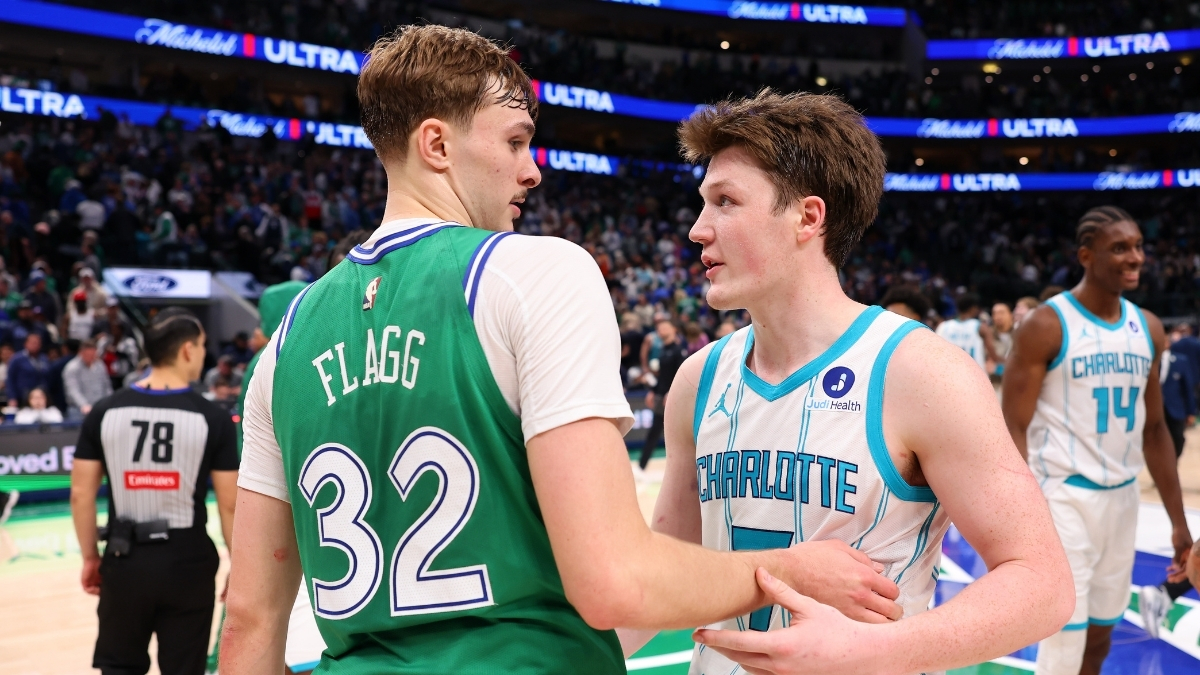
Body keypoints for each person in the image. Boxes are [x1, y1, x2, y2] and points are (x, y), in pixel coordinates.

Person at [221, 27, 896, 675]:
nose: (532, 170)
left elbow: (251, 618)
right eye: (516, 142)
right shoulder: (534, 272)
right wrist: (787, 568)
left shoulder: (284, 343)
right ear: (436, 144)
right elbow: (613, 580)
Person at [622, 89, 1073, 674]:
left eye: (725, 202)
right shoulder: (698, 379)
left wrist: (871, 650)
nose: (697, 230)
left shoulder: (922, 372)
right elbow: (665, 578)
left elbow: (1043, 582)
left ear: (807, 217)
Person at [1002, 205, 1192, 674]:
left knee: (1100, 638)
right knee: (1064, 640)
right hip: (1062, 498)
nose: (1136, 258)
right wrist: (1018, 517)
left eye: (1139, 247)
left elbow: (1154, 430)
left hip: (1122, 500)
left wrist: (1178, 522)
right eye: (1120, 248)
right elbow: (1011, 428)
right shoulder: (1047, 324)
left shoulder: (1147, 327)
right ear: (1086, 255)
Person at [69, 309, 238, 675]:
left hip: (124, 557)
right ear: (188, 351)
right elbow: (230, 504)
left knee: (120, 666)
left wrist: (90, 558)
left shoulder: (104, 411)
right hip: (188, 564)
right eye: (203, 346)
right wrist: (238, 564)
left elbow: (81, 494)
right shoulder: (213, 418)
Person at [638, 319, 687, 472]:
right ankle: (641, 466)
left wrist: (671, 393)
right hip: (662, 398)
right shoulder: (662, 351)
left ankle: (684, 469)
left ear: (674, 329)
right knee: (655, 432)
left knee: (679, 435)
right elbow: (662, 377)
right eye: (659, 328)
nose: (662, 330)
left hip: (673, 399)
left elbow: (681, 375)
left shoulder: (679, 350)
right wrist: (653, 391)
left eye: (665, 327)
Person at [935, 292, 1001, 371]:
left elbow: (935, 353)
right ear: (973, 308)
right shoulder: (981, 327)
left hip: (947, 373)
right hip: (973, 375)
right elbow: (994, 356)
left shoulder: (943, 326)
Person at [63, 338, 113, 419]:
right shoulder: (72, 368)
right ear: (81, 353)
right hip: (79, 410)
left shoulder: (100, 365)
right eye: (88, 355)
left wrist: (110, 402)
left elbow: (107, 386)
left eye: (93, 355)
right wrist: (84, 405)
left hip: (99, 408)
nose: (91, 358)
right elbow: (73, 390)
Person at [7, 333, 50, 409]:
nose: (35, 345)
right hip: (22, 397)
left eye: (38, 343)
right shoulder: (16, 359)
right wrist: (12, 397)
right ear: (25, 344)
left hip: (40, 396)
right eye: (33, 343)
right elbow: (10, 379)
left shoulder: (44, 358)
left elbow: (47, 377)